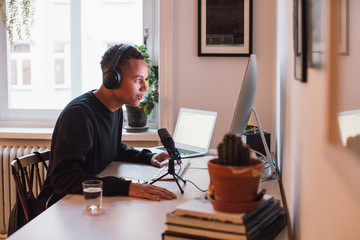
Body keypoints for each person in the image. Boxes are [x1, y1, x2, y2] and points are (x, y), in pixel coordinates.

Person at [36, 44, 176, 214]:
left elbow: (113, 149)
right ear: (112, 78)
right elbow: (64, 179)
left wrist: (148, 157)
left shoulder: (115, 109)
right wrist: (126, 187)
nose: (145, 88)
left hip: (86, 199)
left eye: (145, 80)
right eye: (138, 80)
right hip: (59, 205)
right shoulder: (79, 115)